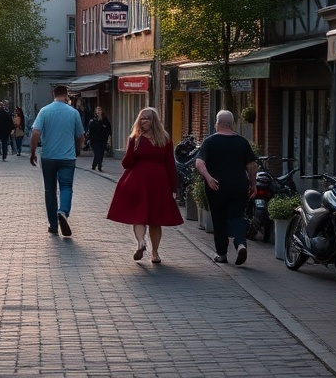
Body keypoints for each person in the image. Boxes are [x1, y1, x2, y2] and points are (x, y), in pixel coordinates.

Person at [106, 107, 182, 263]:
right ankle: (143, 245)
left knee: (154, 219)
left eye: (146, 118)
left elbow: (170, 165)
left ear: (154, 120)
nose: (143, 121)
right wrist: (132, 148)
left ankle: (151, 249)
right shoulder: (137, 138)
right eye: (141, 118)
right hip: (144, 182)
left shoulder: (162, 139)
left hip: (151, 182)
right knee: (140, 216)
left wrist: (173, 188)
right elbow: (128, 162)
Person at [195, 109, 257, 266]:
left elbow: (199, 162)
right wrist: (252, 184)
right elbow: (251, 165)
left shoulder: (210, 141)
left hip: (216, 187)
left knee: (219, 218)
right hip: (238, 186)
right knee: (237, 216)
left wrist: (208, 178)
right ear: (232, 124)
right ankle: (240, 242)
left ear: (217, 123)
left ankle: (222, 254)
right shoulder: (242, 142)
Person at [30, 84, 85, 236]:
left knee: (50, 190)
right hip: (67, 157)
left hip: (48, 157)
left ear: (52, 94)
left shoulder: (45, 111)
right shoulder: (73, 113)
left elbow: (35, 133)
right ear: (66, 95)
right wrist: (77, 149)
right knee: (66, 186)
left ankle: (53, 225)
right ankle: (63, 212)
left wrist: (33, 152)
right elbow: (81, 136)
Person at [87, 106, 113, 172]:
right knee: (97, 152)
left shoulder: (105, 120)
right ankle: (95, 165)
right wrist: (89, 139)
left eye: (99, 110)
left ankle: (98, 165)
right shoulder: (92, 120)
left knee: (101, 153)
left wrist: (108, 136)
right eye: (97, 110)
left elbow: (109, 129)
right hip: (94, 140)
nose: (98, 112)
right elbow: (90, 130)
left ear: (102, 112)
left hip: (103, 139)